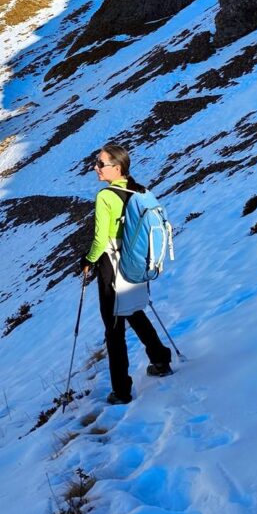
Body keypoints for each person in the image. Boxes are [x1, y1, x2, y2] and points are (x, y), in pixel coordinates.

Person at [81, 142, 172, 404]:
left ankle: (121, 391)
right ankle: (160, 360)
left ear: (117, 167)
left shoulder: (105, 196)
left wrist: (87, 260)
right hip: (136, 260)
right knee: (133, 310)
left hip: (112, 264)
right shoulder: (139, 190)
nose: (95, 168)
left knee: (114, 329)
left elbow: (100, 240)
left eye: (100, 164)